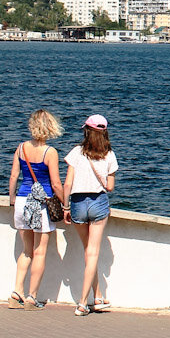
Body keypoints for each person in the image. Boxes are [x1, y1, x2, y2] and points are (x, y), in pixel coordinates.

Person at [62, 114, 119, 316]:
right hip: (98, 202)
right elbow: (110, 187)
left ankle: (97, 295)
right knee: (92, 253)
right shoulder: (109, 154)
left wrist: (65, 208)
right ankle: (83, 302)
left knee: (88, 251)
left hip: (77, 203)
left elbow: (67, 184)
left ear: (86, 131)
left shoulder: (77, 152)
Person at [8, 109, 64, 310]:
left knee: (26, 250)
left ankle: (16, 293)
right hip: (41, 204)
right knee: (40, 251)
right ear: (50, 127)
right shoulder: (50, 152)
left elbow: (14, 176)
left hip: (22, 201)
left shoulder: (21, 148)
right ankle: (32, 297)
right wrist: (64, 204)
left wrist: (13, 199)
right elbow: (56, 184)